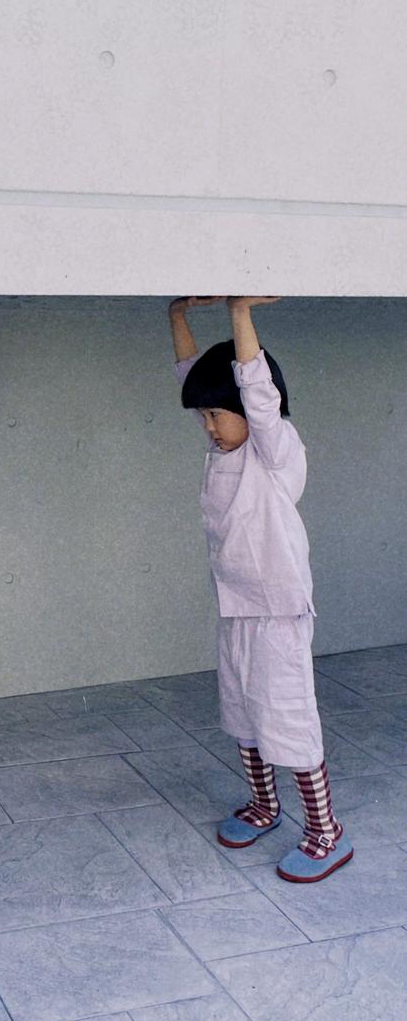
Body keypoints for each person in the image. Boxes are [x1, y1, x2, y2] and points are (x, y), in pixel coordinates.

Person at [168, 295, 352, 883]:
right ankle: (265, 805)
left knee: (287, 716)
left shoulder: (273, 452)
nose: (208, 426)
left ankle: (326, 831)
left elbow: (256, 394)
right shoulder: (221, 448)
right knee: (243, 711)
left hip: (278, 611)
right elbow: (195, 380)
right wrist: (178, 317)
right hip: (236, 607)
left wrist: (239, 314)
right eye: (203, 417)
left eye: (216, 416)